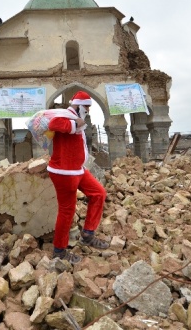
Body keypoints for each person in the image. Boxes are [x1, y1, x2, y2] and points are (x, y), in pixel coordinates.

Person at [47, 91, 109, 263]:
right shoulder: (65, 115)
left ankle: (88, 235)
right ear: (79, 105)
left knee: (98, 193)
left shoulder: (75, 117)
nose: (88, 110)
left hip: (78, 170)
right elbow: (53, 123)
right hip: (64, 173)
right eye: (87, 107)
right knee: (67, 211)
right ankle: (59, 251)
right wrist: (75, 124)